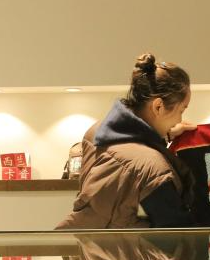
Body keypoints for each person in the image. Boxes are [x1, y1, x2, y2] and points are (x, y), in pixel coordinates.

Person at [57, 53, 198, 229]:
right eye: (181, 110)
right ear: (158, 106)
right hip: (119, 246)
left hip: (83, 240)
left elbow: (126, 150)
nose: (179, 120)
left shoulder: (96, 131)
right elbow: (177, 232)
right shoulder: (154, 169)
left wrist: (166, 135)